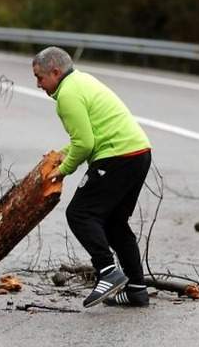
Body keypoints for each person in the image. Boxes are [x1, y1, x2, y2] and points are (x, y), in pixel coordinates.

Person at [32, 46, 152, 308]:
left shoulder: (67, 95)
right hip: (139, 153)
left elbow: (85, 144)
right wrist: (63, 155)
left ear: (55, 71)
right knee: (115, 224)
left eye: (40, 77)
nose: (38, 84)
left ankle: (107, 271)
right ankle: (136, 289)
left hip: (118, 156)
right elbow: (87, 137)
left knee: (80, 213)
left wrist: (61, 172)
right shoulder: (81, 80)